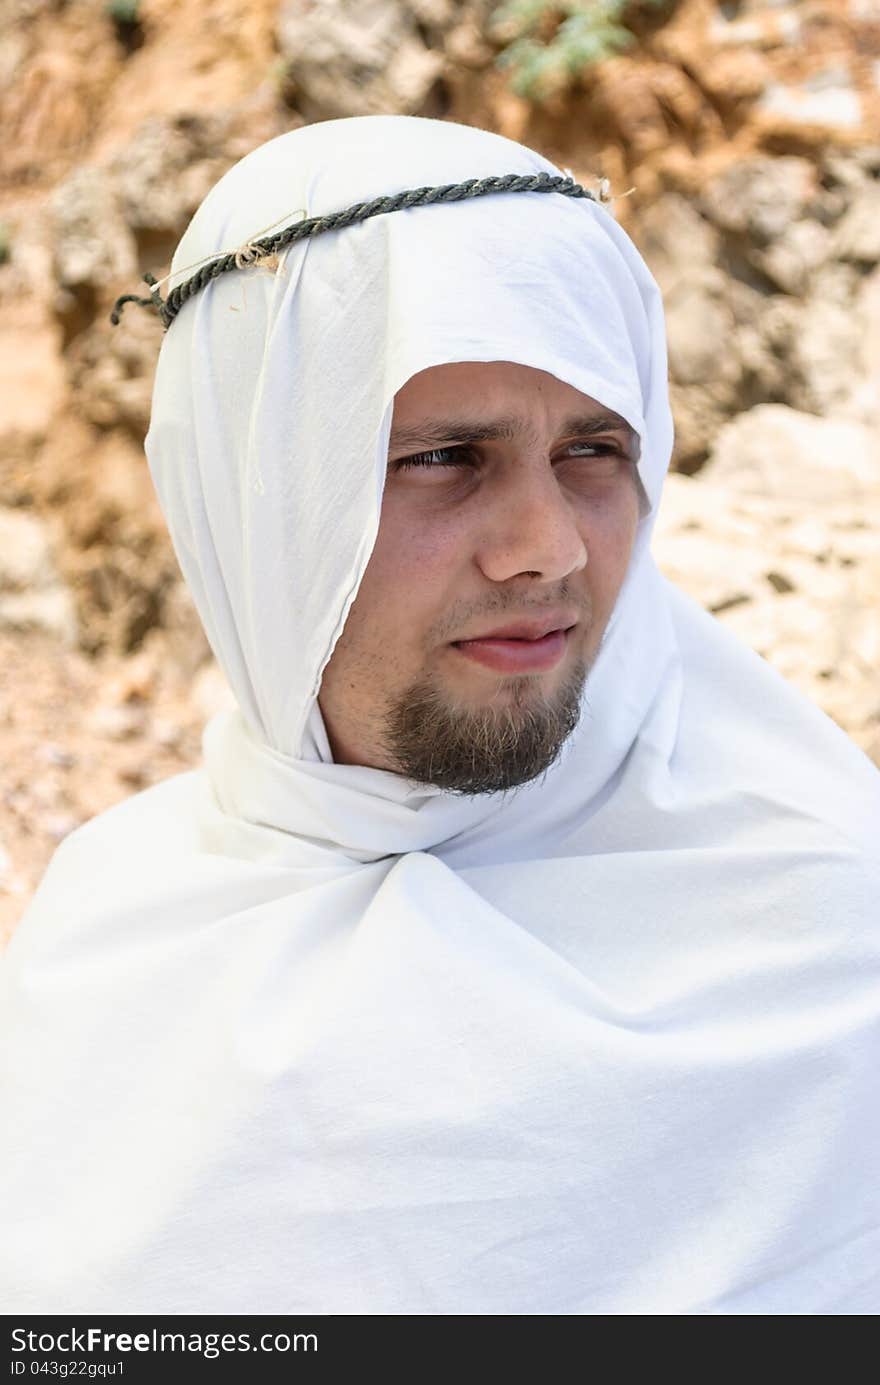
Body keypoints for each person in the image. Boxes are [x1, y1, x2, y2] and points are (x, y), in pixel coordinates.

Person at [1, 115, 878, 1316]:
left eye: (595, 449)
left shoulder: (823, 936)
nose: (548, 547)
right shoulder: (113, 939)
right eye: (445, 455)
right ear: (259, 495)